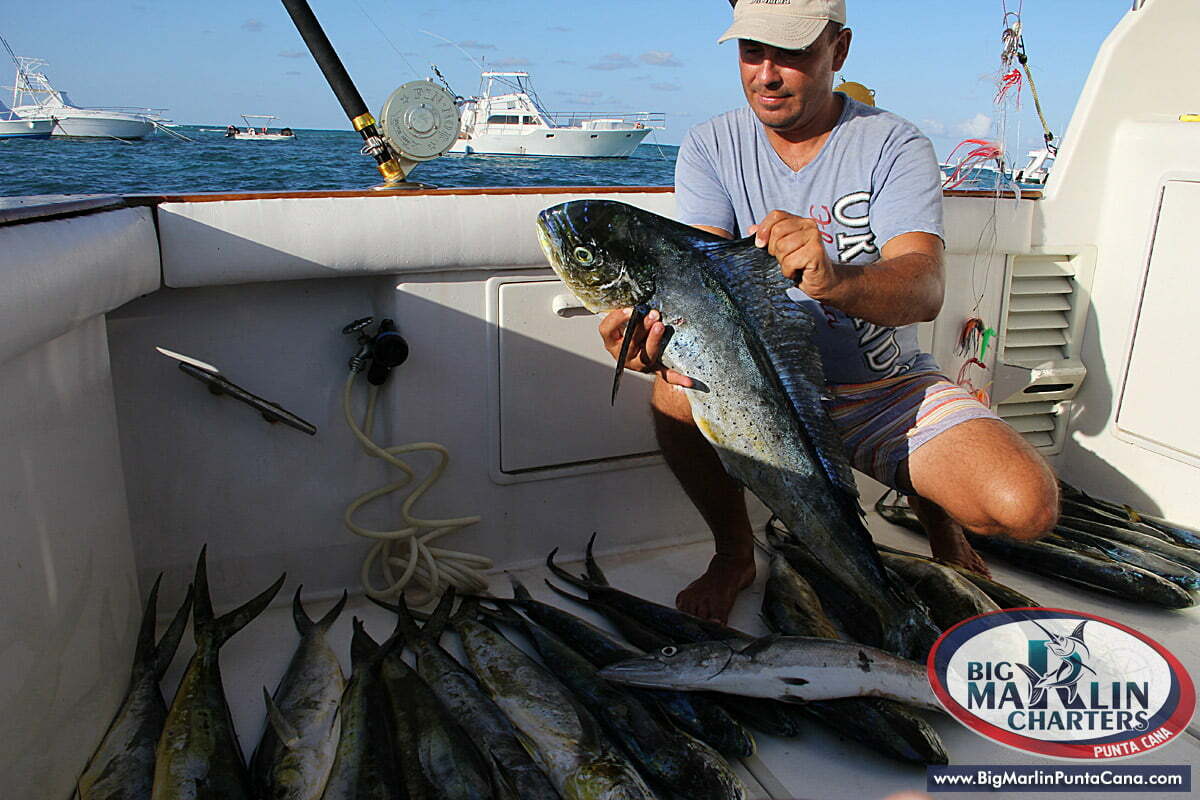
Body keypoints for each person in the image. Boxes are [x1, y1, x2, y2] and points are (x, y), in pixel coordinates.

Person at [597, 0, 1058, 624]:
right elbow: (692, 275)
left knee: (1025, 508)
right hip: (766, 388)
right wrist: (644, 332)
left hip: (881, 385)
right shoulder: (711, 145)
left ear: (838, 51)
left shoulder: (893, 143)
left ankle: (942, 526)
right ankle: (734, 553)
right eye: (751, 52)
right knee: (676, 392)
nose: (767, 74)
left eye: (792, 54)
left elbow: (923, 287)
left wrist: (835, 278)